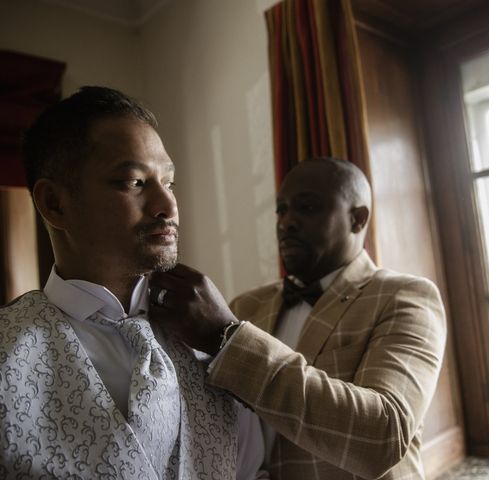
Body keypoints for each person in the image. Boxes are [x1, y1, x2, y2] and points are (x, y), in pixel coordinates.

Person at [0, 86, 266, 479]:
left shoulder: (215, 341)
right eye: (135, 183)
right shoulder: (7, 350)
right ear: (55, 203)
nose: (168, 206)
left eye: (169, 182)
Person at [150, 157, 447, 479]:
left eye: (307, 208)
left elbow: (384, 437)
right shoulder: (246, 305)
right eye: (281, 209)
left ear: (357, 219)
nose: (287, 222)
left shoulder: (405, 296)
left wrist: (229, 337)